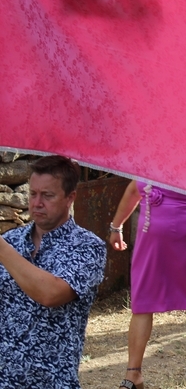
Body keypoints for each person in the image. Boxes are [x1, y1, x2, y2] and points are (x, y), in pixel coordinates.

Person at [110, 179, 186, 389]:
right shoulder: (149, 156)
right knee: (142, 301)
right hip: (149, 237)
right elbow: (134, 189)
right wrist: (116, 226)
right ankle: (133, 374)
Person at [0, 155, 106, 388]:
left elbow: (51, 294)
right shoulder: (12, 240)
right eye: (32, 194)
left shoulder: (88, 247)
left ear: (71, 198)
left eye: (47, 196)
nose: (37, 203)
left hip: (52, 379)